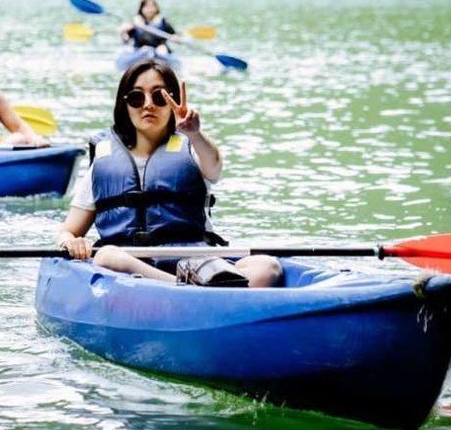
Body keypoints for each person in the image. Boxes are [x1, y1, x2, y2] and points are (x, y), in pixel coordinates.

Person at [54, 58, 282, 289]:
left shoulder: (194, 148)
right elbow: (68, 232)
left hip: (195, 262)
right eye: (136, 97)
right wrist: (72, 243)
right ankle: (190, 289)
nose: (148, 105)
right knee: (106, 257)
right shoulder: (102, 163)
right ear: (125, 105)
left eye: (159, 97)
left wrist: (195, 133)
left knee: (267, 267)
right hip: (129, 269)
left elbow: (214, 168)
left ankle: (200, 287)